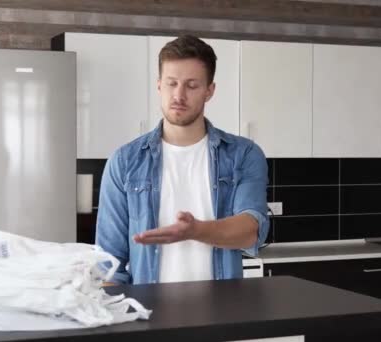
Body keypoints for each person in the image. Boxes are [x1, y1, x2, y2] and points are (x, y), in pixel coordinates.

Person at [95, 35, 269, 285]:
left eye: (191, 85)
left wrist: (195, 231)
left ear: (209, 91)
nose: (179, 95)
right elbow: (108, 264)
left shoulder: (244, 154)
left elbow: (251, 232)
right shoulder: (124, 161)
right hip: (148, 315)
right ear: (159, 85)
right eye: (171, 83)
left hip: (223, 313)